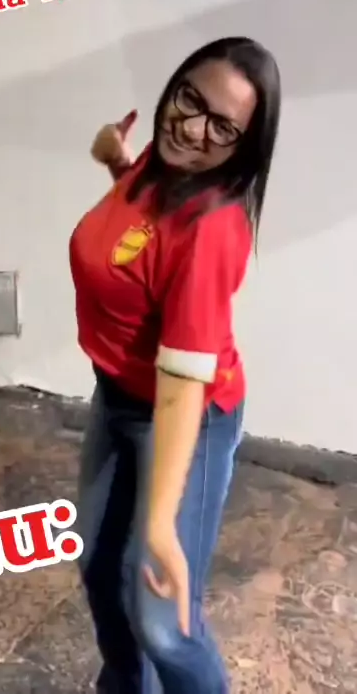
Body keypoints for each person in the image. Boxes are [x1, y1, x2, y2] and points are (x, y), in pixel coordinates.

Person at [69, 36, 281, 694]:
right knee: (100, 568)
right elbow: (140, 243)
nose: (192, 129)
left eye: (223, 127)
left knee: (164, 619)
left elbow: (184, 381)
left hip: (187, 415)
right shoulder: (156, 169)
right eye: (190, 100)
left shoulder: (212, 225)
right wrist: (116, 159)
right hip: (118, 395)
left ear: (243, 147)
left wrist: (160, 522)